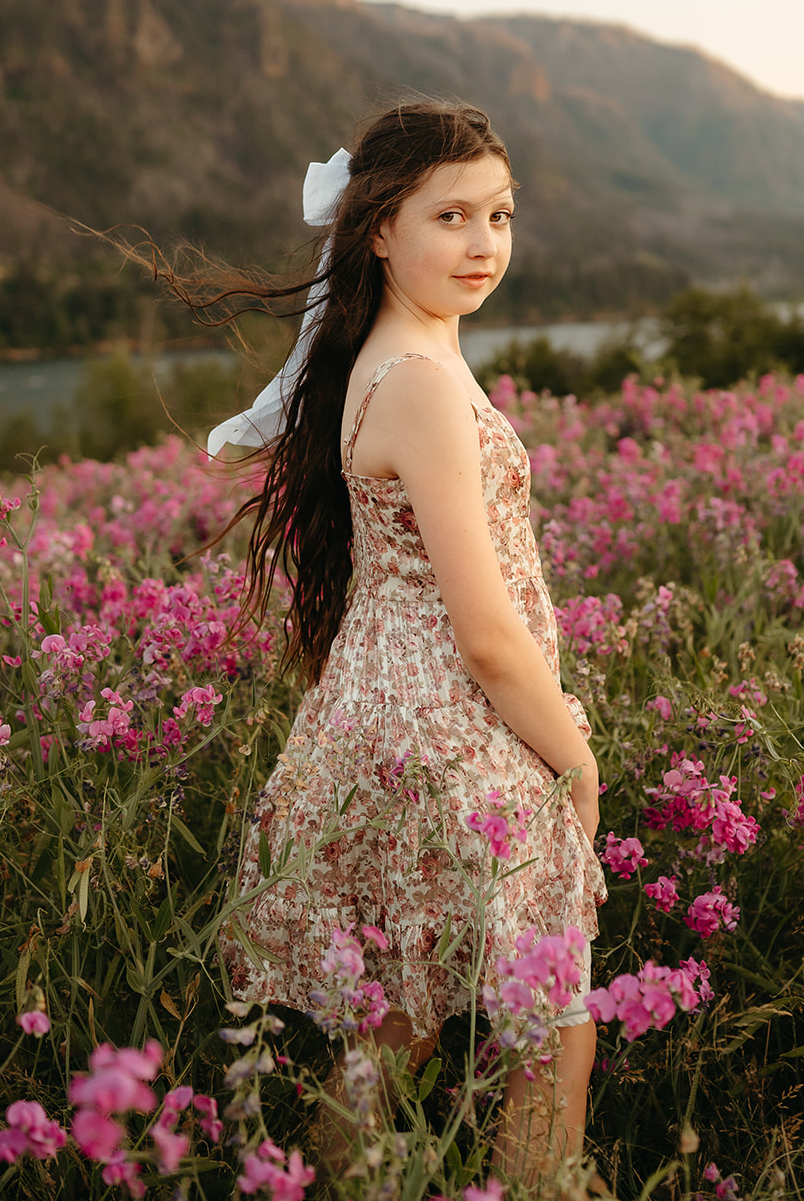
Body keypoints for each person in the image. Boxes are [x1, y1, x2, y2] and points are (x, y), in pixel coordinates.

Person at [212, 101, 606, 1182]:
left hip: (382, 728)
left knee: (394, 1031)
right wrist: (574, 759)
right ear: (379, 228)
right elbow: (484, 631)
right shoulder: (423, 382)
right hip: (457, 737)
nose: (484, 243)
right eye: (452, 216)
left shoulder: (392, 355)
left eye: (501, 214)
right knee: (550, 1036)